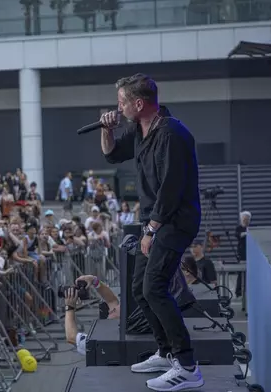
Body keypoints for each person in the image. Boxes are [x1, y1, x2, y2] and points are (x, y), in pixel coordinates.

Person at [99, 73, 203, 391]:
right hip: (154, 221)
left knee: (155, 287)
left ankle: (187, 366)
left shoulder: (172, 133)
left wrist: (151, 229)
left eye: (121, 102)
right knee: (140, 288)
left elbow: (171, 189)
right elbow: (112, 154)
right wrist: (106, 130)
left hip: (174, 221)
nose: (118, 107)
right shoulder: (140, 129)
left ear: (138, 103)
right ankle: (165, 351)